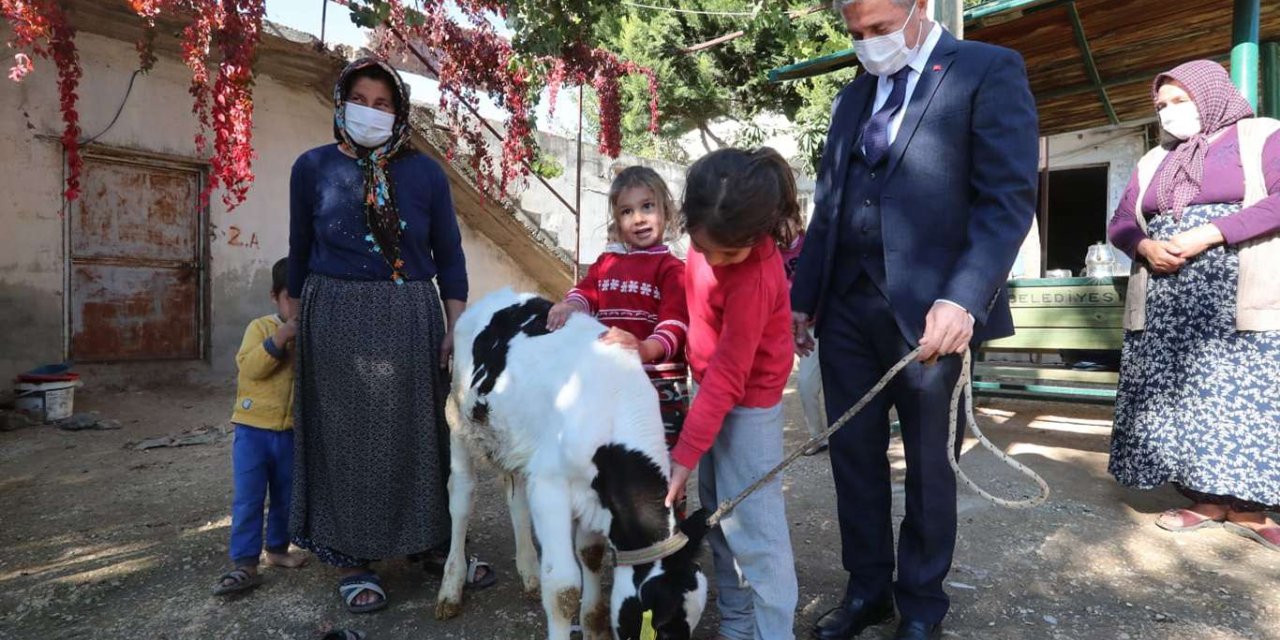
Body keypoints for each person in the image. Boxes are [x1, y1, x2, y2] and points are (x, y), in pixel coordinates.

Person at [790, 1, 1039, 638]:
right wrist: (802, 298)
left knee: (931, 466)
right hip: (846, 307)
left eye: (879, 28)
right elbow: (830, 206)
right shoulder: (851, 100)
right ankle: (867, 589)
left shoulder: (988, 70)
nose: (869, 44)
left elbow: (1006, 200)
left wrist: (964, 299)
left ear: (920, 7)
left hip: (934, 313)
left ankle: (921, 605)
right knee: (852, 458)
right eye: (856, 35)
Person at [287, 58, 494, 614]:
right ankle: (354, 558)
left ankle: (434, 547)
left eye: (384, 104)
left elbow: (449, 257)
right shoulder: (311, 168)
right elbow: (298, 251)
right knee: (346, 439)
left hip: (410, 318)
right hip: (334, 317)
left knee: (425, 434)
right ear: (340, 102)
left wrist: (455, 330)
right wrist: (293, 319)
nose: (371, 112)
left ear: (400, 113)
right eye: (361, 99)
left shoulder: (425, 175)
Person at [1107, 60, 1280, 552]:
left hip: (1236, 293)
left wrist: (1209, 233)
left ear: (1211, 94)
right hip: (1166, 294)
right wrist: (1144, 246)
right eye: (1162, 105)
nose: (1169, 113)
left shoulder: (1261, 136)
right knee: (1182, 398)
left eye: (1180, 101)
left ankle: (1249, 507)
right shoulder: (1154, 160)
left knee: (1245, 397)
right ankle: (1202, 499)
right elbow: (1122, 220)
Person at [665, 147, 802, 640]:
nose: (715, 260)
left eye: (729, 253)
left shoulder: (757, 276)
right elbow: (700, 328)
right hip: (709, 393)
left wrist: (683, 455)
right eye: (705, 249)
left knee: (759, 535)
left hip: (748, 406)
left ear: (759, 234)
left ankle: (772, 633)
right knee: (719, 517)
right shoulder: (703, 245)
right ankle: (739, 626)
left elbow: (730, 374)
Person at [547, 166, 690, 472]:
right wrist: (569, 307)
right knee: (613, 466)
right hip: (611, 383)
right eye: (627, 211)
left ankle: (668, 519)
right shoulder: (606, 263)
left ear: (665, 210)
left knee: (658, 468)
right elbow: (586, 293)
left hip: (659, 386)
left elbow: (674, 325)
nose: (638, 218)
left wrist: (644, 348)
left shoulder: (671, 268)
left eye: (647, 207)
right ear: (617, 220)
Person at [212, 258, 308, 596]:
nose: (296, 308)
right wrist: (280, 339)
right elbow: (250, 369)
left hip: (290, 433)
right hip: (253, 431)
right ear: (274, 297)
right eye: (290, 299)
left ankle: (278, 550)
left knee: (285, 497)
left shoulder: (311, 334)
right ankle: (245, 562)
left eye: (304, 299)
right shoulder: (260, 328)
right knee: (249, 498)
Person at [780, 225, 828, 456]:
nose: (781, 229)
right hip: (802, 329)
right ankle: (817, 436)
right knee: (806, 384)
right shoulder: (772, 254)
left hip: (829, 321)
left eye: (784, 220)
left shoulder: (813, 243)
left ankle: (848, 434)